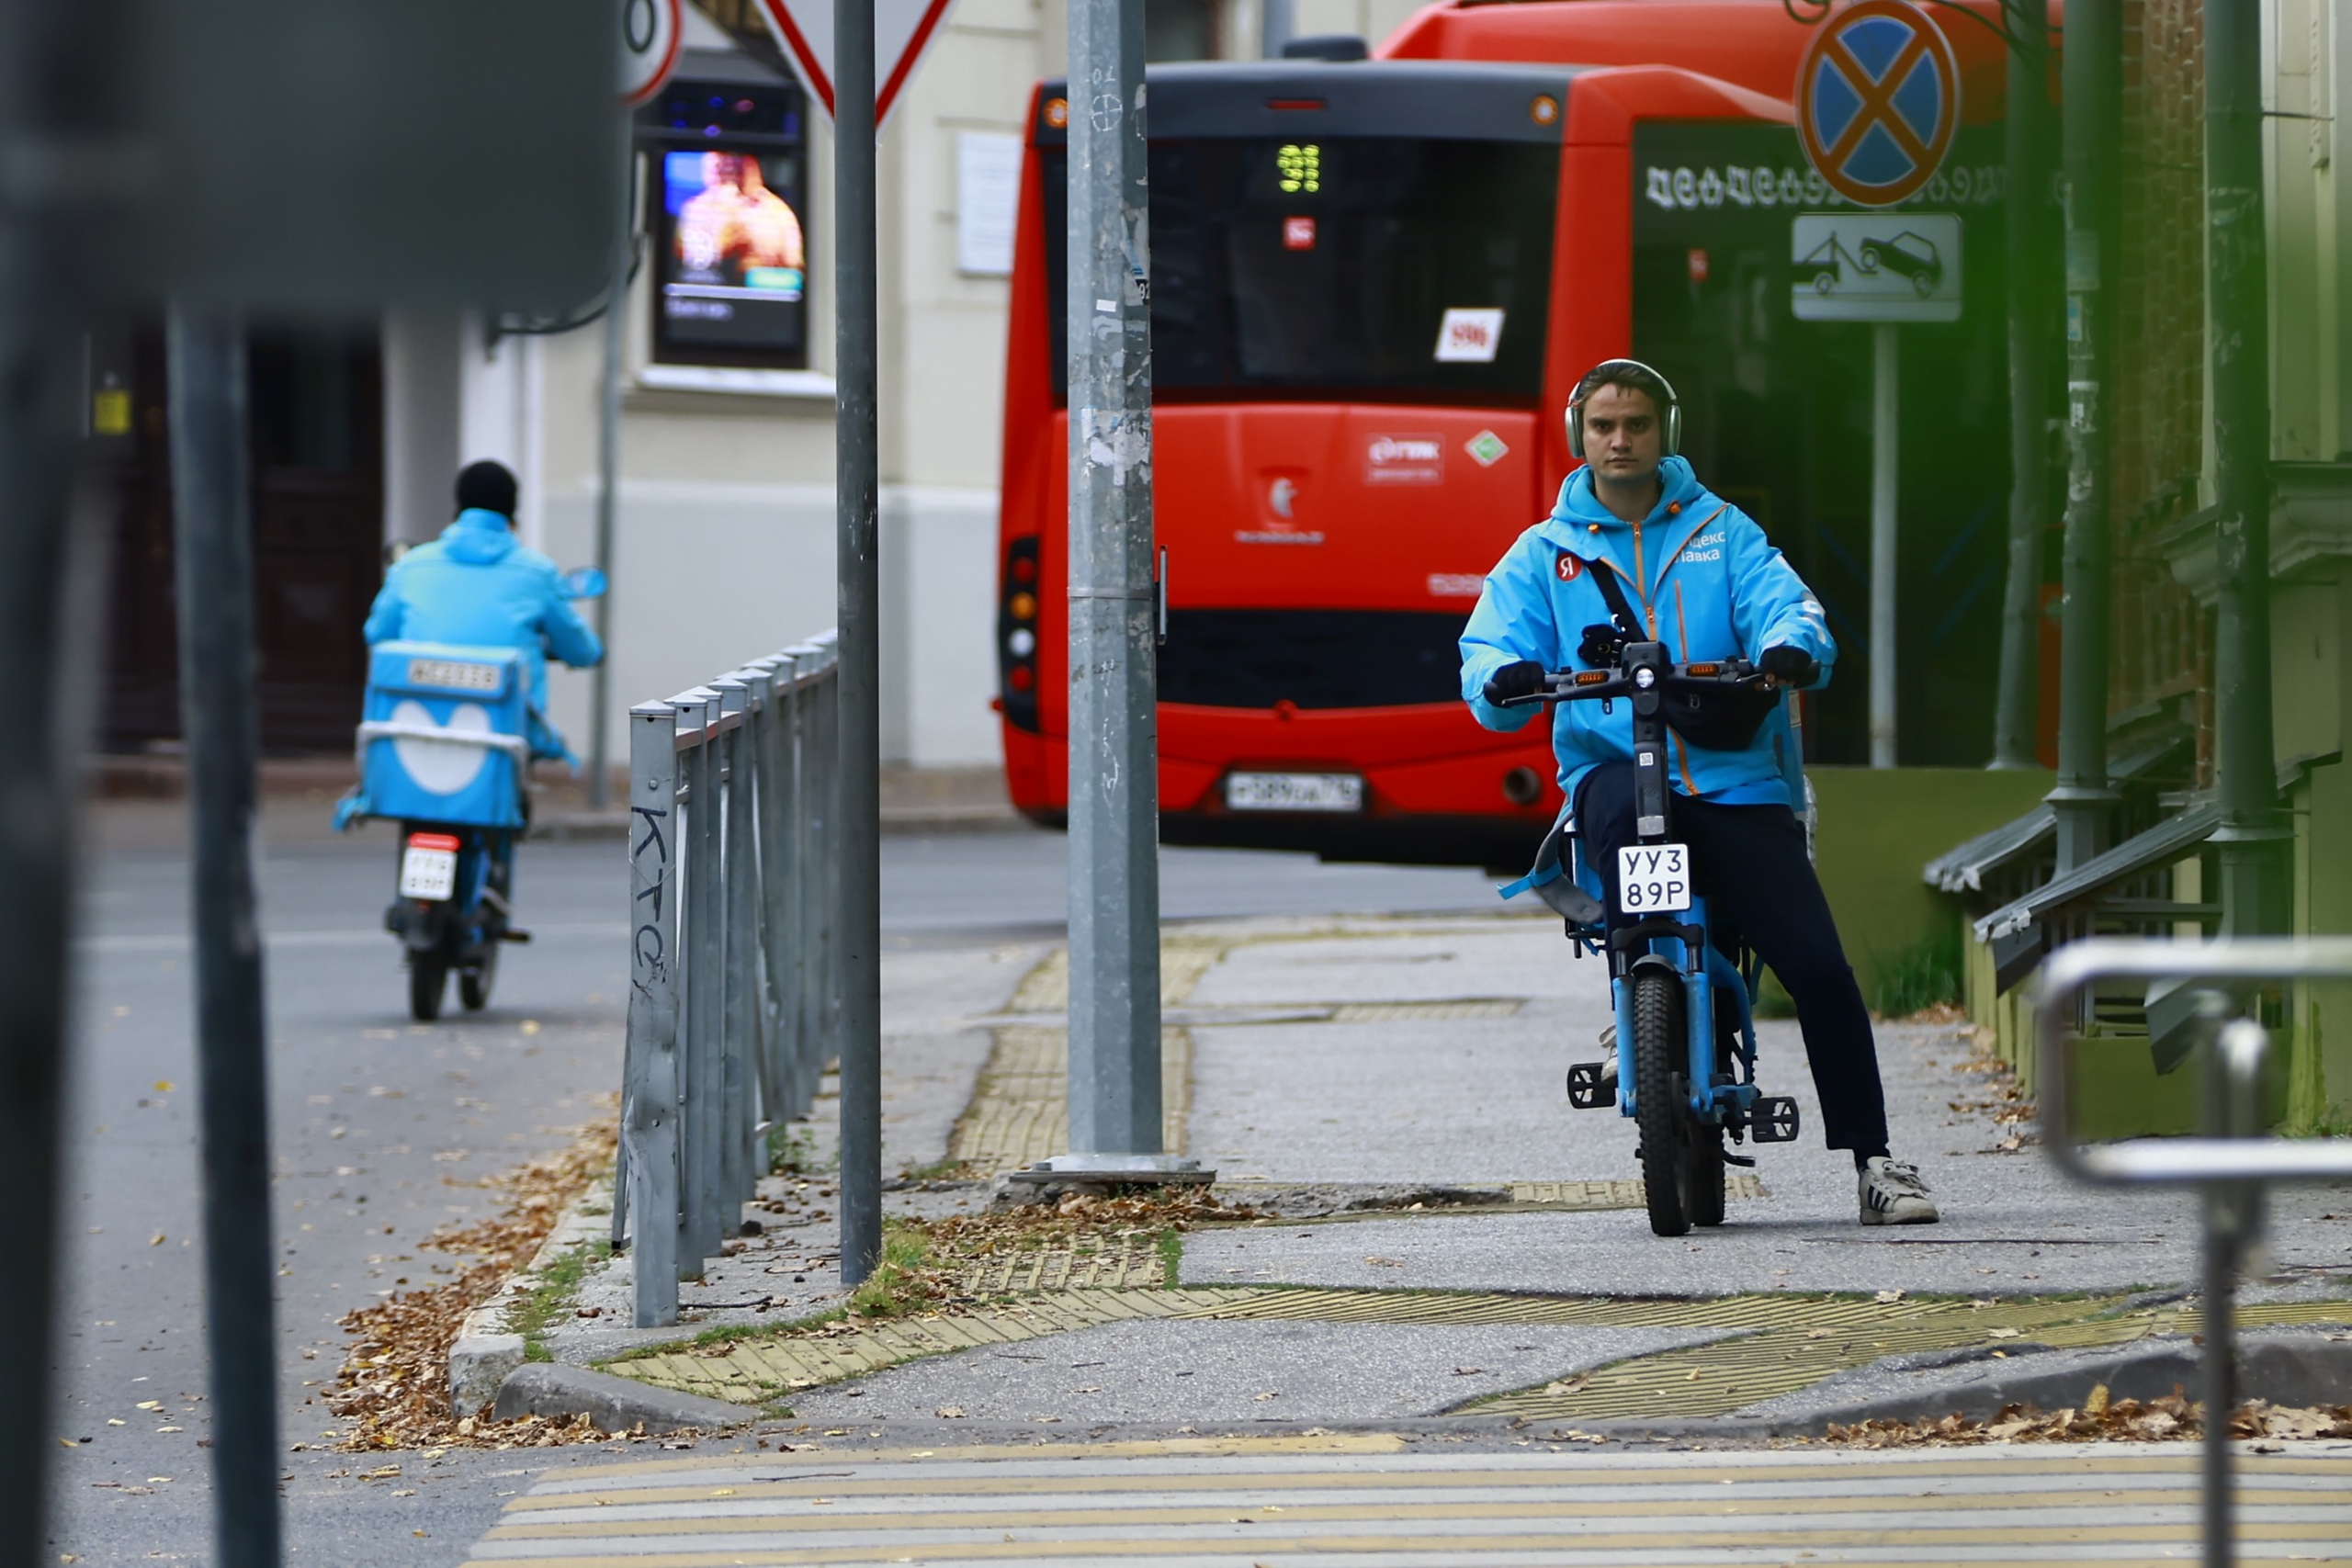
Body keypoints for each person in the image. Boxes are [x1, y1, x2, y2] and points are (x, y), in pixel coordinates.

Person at [1458, 359, 1938, 1227]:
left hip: (1734, 781)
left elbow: (1789, 608)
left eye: (1636, 423)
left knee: (1820, 968)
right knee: (1625, 877)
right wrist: (1502, 674)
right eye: (1604, 424)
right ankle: (1637, 990)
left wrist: (1790, 647)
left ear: (1664, 432)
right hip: (1612, 769)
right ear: (1581, 436)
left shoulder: (1724, 531)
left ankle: (1878, 1162)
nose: (1620, 439)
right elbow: (1486, 645)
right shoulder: (1546, 552)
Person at [364, 460, 603, 765]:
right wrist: (593, 654)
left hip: (417, 721)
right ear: (512, 515)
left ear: (459, 507)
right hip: (506, 732)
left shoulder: (411, 565)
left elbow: (377, 633)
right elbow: (579, 649)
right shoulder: (537, 572)